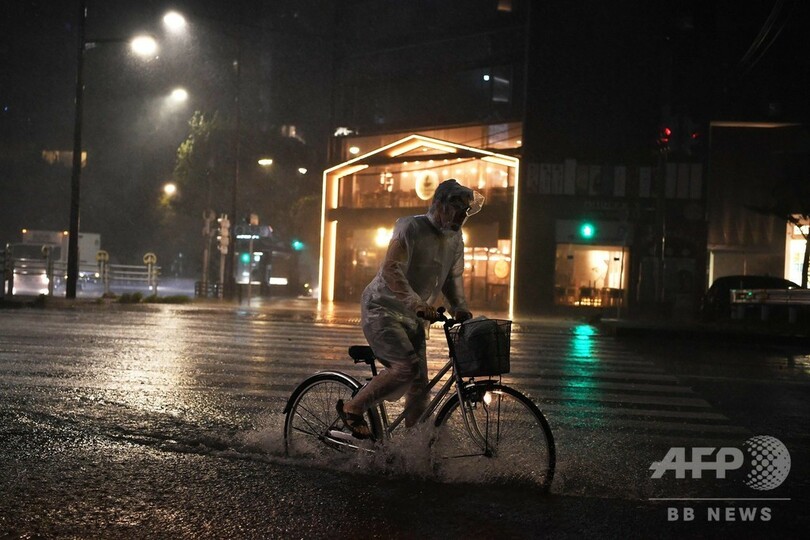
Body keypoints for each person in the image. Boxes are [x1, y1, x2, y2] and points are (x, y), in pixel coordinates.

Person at [337, 179, 484, 439]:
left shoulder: (454, 238)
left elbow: (452, 277)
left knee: (419, 388)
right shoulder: (411, 227)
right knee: (406, 368)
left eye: (465, 211)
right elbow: (391, 269)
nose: (462, 215)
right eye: (457, 208)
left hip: (415, 316)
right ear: (439, 205)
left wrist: (460, 307)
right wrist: (416, 303)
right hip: (381, 308)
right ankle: (353, 408)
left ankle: (412, 447)